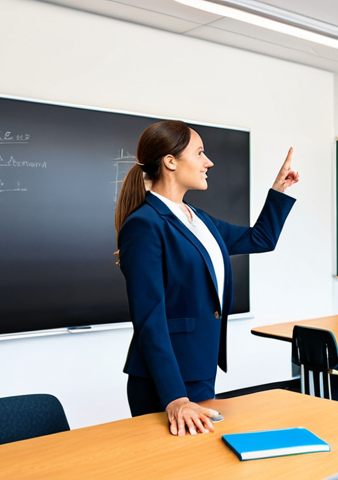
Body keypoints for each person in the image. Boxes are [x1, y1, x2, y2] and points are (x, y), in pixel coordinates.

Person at [115, 120, 298, 437]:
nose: (208, 162)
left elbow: (261, 239)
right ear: (170, 162)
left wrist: (279, 189)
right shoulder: (144, 224)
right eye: (199, 153)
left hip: (198, 369)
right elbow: (150, 319)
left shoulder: (196, 218)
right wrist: (175, 397)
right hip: (166, 381)